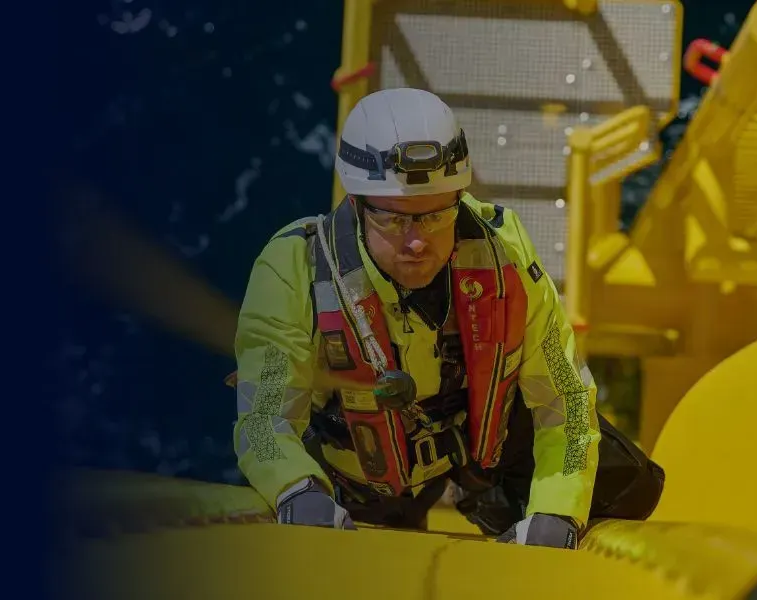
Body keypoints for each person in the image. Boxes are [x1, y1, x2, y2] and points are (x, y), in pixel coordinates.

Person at [228, 88, 664, 549]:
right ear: (357, 204)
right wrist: (296, 489)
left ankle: (491, 506)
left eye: (437, 216)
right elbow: (264, 416)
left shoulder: (507, 254)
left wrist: (557, 511)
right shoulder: (293, 269)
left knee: (628, 487)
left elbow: (568, 400)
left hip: (476, 452)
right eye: (395, 221)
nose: (417, 242)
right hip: (354, 473)